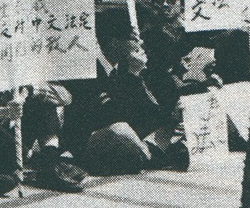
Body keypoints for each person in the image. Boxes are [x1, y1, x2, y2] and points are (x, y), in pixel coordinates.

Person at [62, 9, 189, 176]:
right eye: (133, 38)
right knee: (121, 130)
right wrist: (132, 76)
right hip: (90, 138)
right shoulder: (90, 70)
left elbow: (150, 111)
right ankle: (155, 157)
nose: (139, 44)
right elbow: (112, 115)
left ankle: (151, 153)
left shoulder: (123, 65)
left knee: (171, 118)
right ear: (115, 42)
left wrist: (137, 77)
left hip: (124, 133)